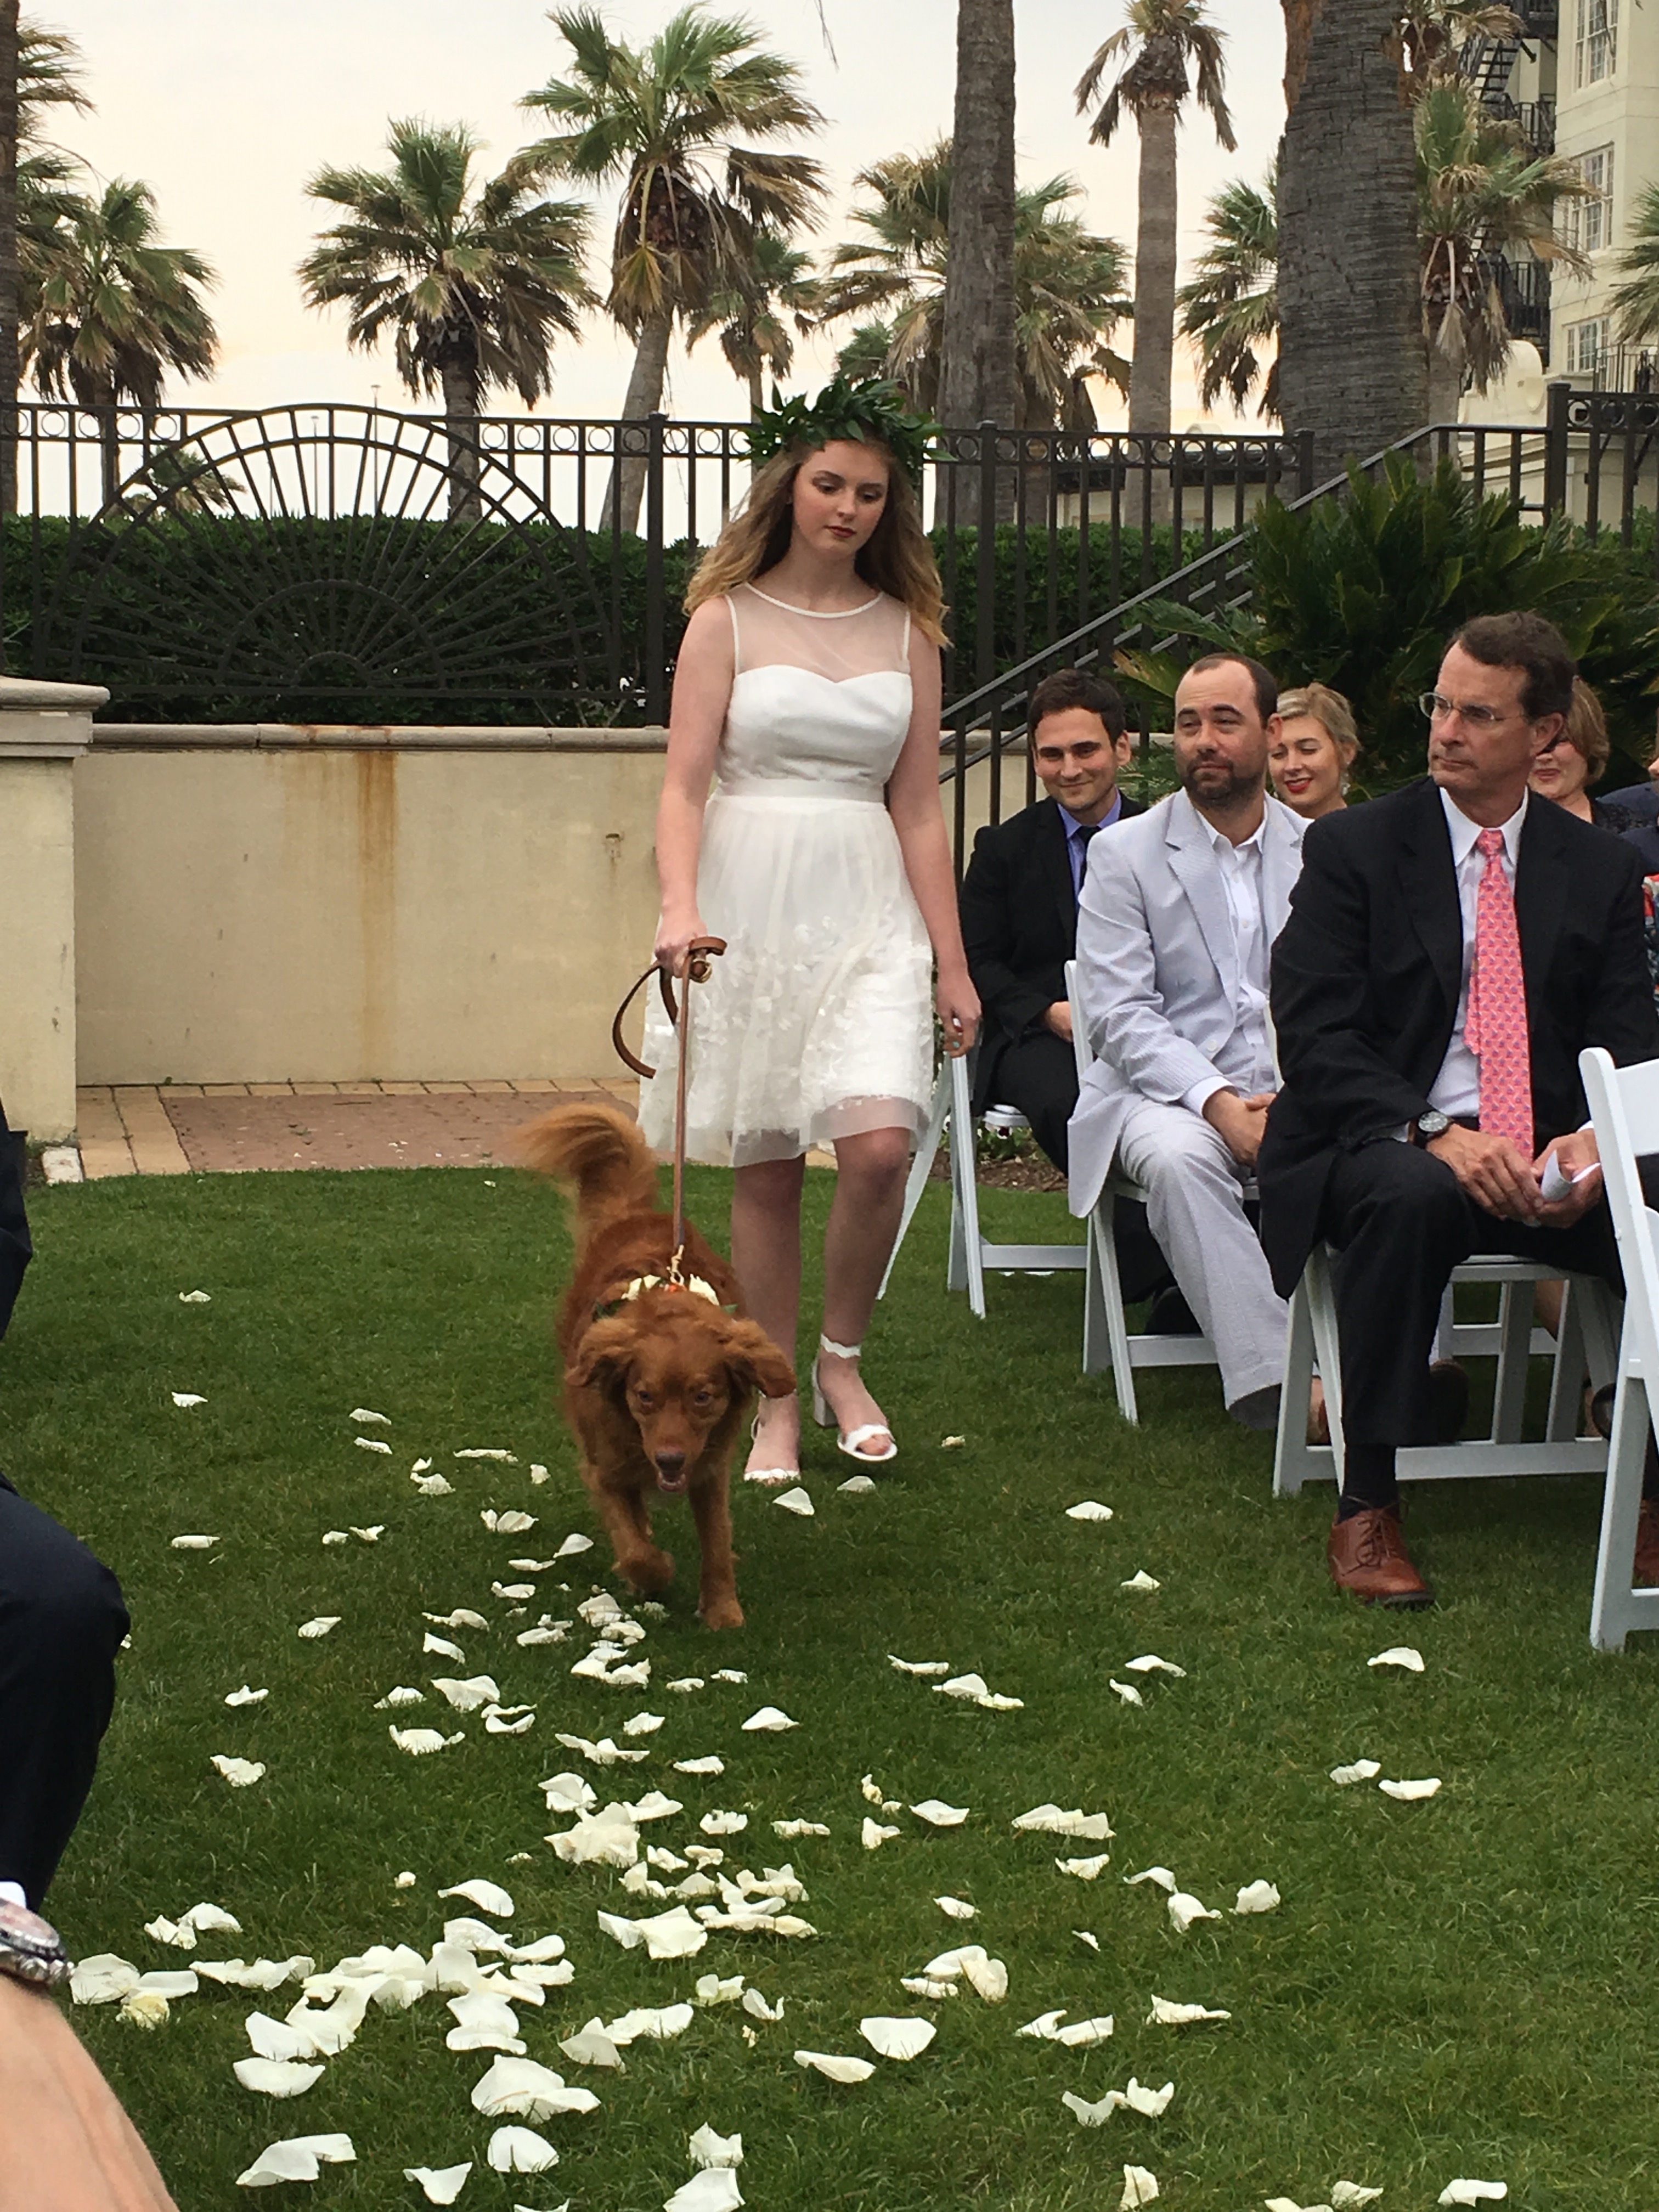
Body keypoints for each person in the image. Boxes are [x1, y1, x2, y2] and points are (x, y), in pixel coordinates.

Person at [1262, 612, 1659, 1607]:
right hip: (1387, 1134)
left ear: (1544, 733)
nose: (1444, 730)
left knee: (1646, 1189)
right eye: (1440, 705)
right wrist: (1435, 1132)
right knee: (1409, 1196)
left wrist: (1593, 1144)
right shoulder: (1355, 847)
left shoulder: (1599, 867)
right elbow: (1315, 1037)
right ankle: (1367, 1501)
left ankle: (1651, 1485)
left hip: (1543, 1156)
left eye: (1478, 715)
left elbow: (1627, 1038)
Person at [644, 377, 979, 1485]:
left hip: (868, 899)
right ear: (789, 488)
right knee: (770, 1164)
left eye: (870, 493)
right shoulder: (724, 619)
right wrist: (679, 907)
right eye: (830, 485)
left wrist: (952, 964)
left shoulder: (908, 633)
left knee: (880, 1147)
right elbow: (683, 784)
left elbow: (919, 807)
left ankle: (842, 1361)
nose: (847, 508)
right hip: (748, 900)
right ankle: (776, 1402)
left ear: (891, 509)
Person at [1068, 652, 1308, 1429]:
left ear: (1272, 732)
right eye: (1188, 723)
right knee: (1181, 1160)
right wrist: (1218, 1102)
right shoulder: (1124, 853)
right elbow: (1119, 1015)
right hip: (1160, 1094)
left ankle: (1410, 1368)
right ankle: (1282, 1388)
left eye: (1225, 721)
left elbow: (1347, 999)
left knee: (1385, 1152)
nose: (1203, 740)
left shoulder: (1321, 849)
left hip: (1298, 1086)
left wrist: (1304, 1097)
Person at [956, 669, 1177, 1314]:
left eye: (1085, 750)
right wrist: (1048, 1014)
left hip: (1151, 1024)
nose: (1069, 769)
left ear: (1122, 748)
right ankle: (1153, 1267)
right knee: (1076, 1100)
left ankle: (1188, 1254)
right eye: (1052, 754)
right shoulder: (1004, 849)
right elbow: (977, 959)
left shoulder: (1166, 841)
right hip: (1037, 1034)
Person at [1529, 676, 1648, 832]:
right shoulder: (1497, 837)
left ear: (1589, 742)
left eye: (1560, 741)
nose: (1544, 756)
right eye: (1530, 741)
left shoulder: (1632, 833)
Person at [1268, 682, 1358, 821]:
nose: (1292, 766)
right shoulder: (1247, 834)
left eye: (1308, 750)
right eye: (1278, 754)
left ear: (1346, 752)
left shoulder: (1374, 832)